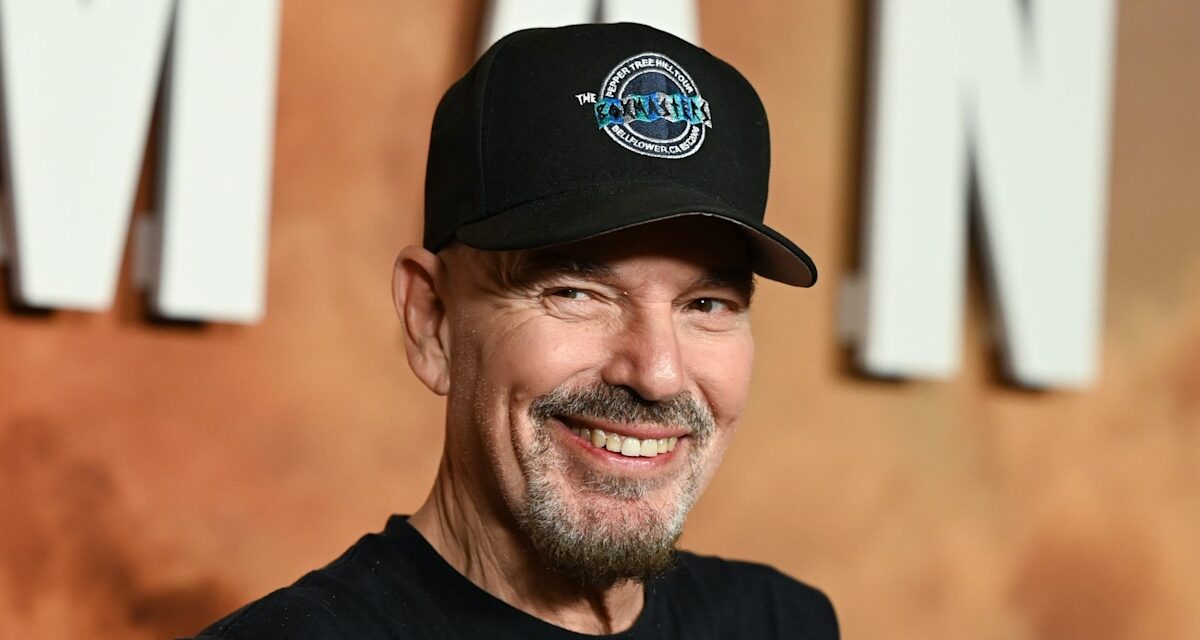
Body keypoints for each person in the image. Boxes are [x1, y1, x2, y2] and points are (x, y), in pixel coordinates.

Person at [189, 22, 837, 640]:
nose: (658, 372)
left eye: (707, 304)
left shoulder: (782, 623)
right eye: (574, 293)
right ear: (431, 320)